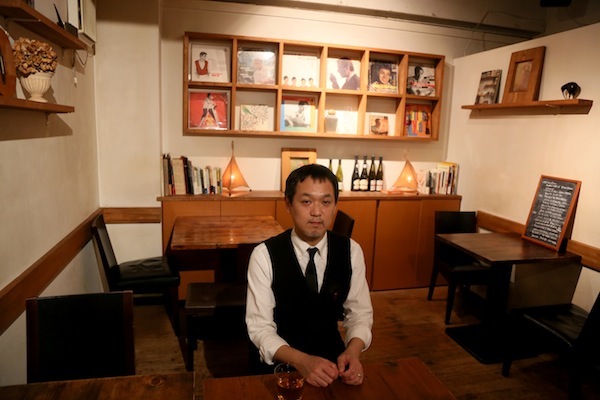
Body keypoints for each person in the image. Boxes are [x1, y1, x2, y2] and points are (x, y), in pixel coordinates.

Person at [246, 164, 373, 387]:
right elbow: (260, 328)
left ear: (335, 205)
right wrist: (302, 361)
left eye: (326, 202)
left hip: (333, 365)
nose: (317, 212)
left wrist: (353, 351)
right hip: (281, 366)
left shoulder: (351, 251)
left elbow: (360, 313)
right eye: (306, 202)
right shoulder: (264, 255)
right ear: (288, 204)